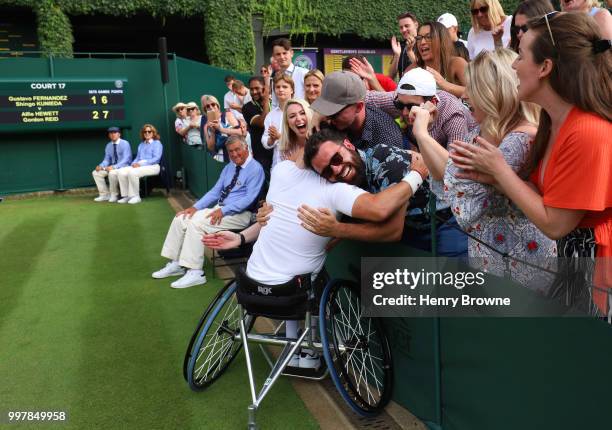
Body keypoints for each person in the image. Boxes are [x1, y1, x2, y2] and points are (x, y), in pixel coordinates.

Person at [203, 129, 425, 366]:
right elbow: (380, 209)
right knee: (312, 277)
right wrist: (416, 174)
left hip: (249, 289)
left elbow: (274, 215)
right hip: (293, 294)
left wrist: (241, 239)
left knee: (305, 269)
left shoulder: (281, 171)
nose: (335, 170)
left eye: (336, 160)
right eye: (328, 168)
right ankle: (308, 349)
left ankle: (300, 348)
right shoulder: (337, 190)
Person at [450, 13, 612, 316]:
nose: (513, 65)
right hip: (577, 268)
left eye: (521, 55)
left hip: (600, 277)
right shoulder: (554, 123)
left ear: (545, 68)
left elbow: (556, 223)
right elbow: (545, 198)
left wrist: (499, 170)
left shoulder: (588, 131)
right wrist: (494, 177)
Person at [441, 49, 556, 287]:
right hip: (495, 260)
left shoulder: (521, 140)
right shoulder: (489, 133)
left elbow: (465, 207)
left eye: (472, 87)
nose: (465, 95)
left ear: (491, 92)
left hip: (520, 270)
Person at [152, 136, 265, 289]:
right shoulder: (229, 167)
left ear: (246, 148)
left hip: (242, 214)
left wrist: (224, 210)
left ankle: (196, 272)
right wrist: (195, 207)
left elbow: (249, 199)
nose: (234, 154)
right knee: (182, 217)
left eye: (238, 149)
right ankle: (176, 263)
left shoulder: (255, 168)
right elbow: (215, 191)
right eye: (230, 151)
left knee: (197, 224)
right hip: (220, 210)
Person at [311, 71, 404, 150]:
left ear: (359, 107)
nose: (329, 117)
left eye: (335, 112)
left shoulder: (387, 140)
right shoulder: (331, 122)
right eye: (326, 110)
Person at [412, 21, 468, 98]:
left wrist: (444, 84)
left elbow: (478, 92)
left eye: (428, 37)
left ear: (441, 40)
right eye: (419, 38)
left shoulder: (457, 63)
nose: (422, 42)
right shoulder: (415, 67)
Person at [117, 124, 163, 205]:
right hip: (139, 166)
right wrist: (133, 163)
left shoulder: (157, 143)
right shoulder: (141, 145)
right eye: (145, 131)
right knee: (121, 171)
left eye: (149, 131)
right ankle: (126, 196)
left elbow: (156, 159)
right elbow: (137, 158)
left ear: (153, 133)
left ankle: (136, 196)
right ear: (143, 133)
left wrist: (140, 164)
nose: (147, 133)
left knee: (133, 173)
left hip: (153, 166)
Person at [92, 126, 132, 202]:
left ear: (119, 134)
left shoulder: (125, 143)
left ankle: (114, 195)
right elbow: (107, 160)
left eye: (115, 132)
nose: (113, 134)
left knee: (112, 173)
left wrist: (114, 167)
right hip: (112, 167)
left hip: (123, 167)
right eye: (111, 133)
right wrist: (101, 166)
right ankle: (105, 195)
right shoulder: (108, 145)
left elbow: (126, 159)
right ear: (109, 135)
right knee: (96, 173)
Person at [262, 74, 294, 167]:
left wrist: (279, 136)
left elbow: (303, 139)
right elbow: (265, 140)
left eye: (285, 87)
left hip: (296, 165)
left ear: (291, 90)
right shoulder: (271, 115)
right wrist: (271, 139)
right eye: (278, 87)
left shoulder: (300, 111)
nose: (281, 89)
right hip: (277, 164)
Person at [242, 76, 273, 174]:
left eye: (257, 88)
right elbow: (263, 122)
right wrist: (266, 99)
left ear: (264, 88)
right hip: (262, 156)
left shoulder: (275, 103)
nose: (254, 92)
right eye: (251, 89)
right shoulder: (247, 107)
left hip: (278, 153)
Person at [270, 38, 308, 107]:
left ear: (291, 53)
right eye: (278, 54)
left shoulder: (303, 73)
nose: (282, 57)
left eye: (284, 53)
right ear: (274, 56)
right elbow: (274, 104)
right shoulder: (275, 78)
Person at [202, 95, 240, 162]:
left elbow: (240, 132)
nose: (211, 107)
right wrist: (213, 131)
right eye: (207, 106)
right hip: (220, 159)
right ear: (205, 110)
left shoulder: (228, 115)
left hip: (235, 155)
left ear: (217, 106)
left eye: (213, 104)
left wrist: (221, 129)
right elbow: (211, 148)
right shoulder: (206, 126)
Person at [389, 12, 419, 79]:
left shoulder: (424, 44)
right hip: (402, 88)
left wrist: (410, 51)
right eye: (401, 27)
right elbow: (391, 76)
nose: (403, 30)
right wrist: (397, 55)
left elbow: (424, 70)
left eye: (407, 26)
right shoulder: (401, 47)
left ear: (416, 25)